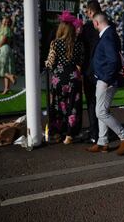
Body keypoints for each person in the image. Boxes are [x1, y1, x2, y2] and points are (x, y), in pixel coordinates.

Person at [85, 12, 124, 155]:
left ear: (96, 23)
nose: (93, 25)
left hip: (106, 81)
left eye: (93, 22)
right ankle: (102, 142)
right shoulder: (109, 34)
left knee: (100, 112)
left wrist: (105, 79)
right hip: (104, 79)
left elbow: (113, 61)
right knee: (102, 111)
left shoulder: (108, 36)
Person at [46, 11, 83, 145]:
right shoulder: (77, 44)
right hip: (73, 77)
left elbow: (50, 63)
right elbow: (80, 62)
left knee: (57, 105)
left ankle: (57, 133)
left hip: (58, 79)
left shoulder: (55, 43)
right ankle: (69, 135)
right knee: (72, 106)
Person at [80, 0, 102, 144]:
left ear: (90, 11)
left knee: (92, 103)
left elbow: (82, 50)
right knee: (102, 105)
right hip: (103, 71)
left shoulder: (87, 27)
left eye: (87, 12)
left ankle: (95, 134)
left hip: (89, 71)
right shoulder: (109, 25)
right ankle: (101, 133)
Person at [0, 16, 17, 95]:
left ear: (9, 23)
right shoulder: (3, 29)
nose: (5, 23)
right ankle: (7, 88)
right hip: (5, 50)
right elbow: (0, 37)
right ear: (2, 21)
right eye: (5, 21)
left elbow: (4, 40)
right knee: (5, 69)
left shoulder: (6, 29)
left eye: (7, 22)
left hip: (4, 49)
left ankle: (10, 76)